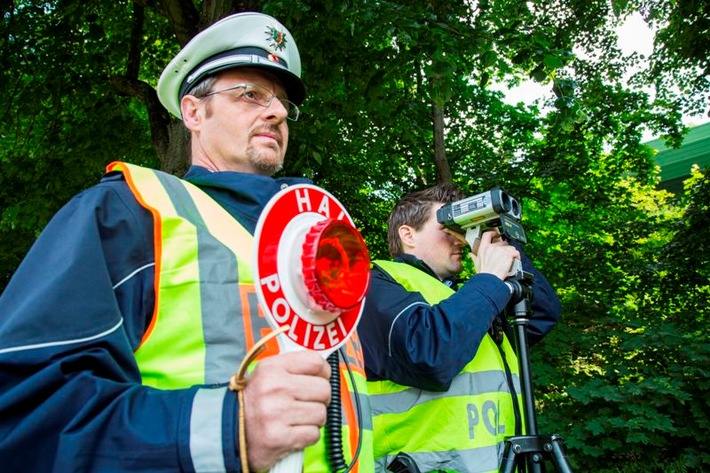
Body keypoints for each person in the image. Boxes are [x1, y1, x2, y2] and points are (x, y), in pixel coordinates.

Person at [0, 12, 372, 473]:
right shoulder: (131, 212)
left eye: (281, 103)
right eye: (251, 94)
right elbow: (22, 412)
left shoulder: (327, 244)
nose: (276, 112)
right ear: (194, 113)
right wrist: (225, 428)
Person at [358, 184, 561, 473]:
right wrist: (490, 279)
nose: (460, 240)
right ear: (408, 234)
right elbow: (429, 354)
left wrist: (501, 248)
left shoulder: (464, 299)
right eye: (447, 226)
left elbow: (541, 313)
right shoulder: (377, 283)